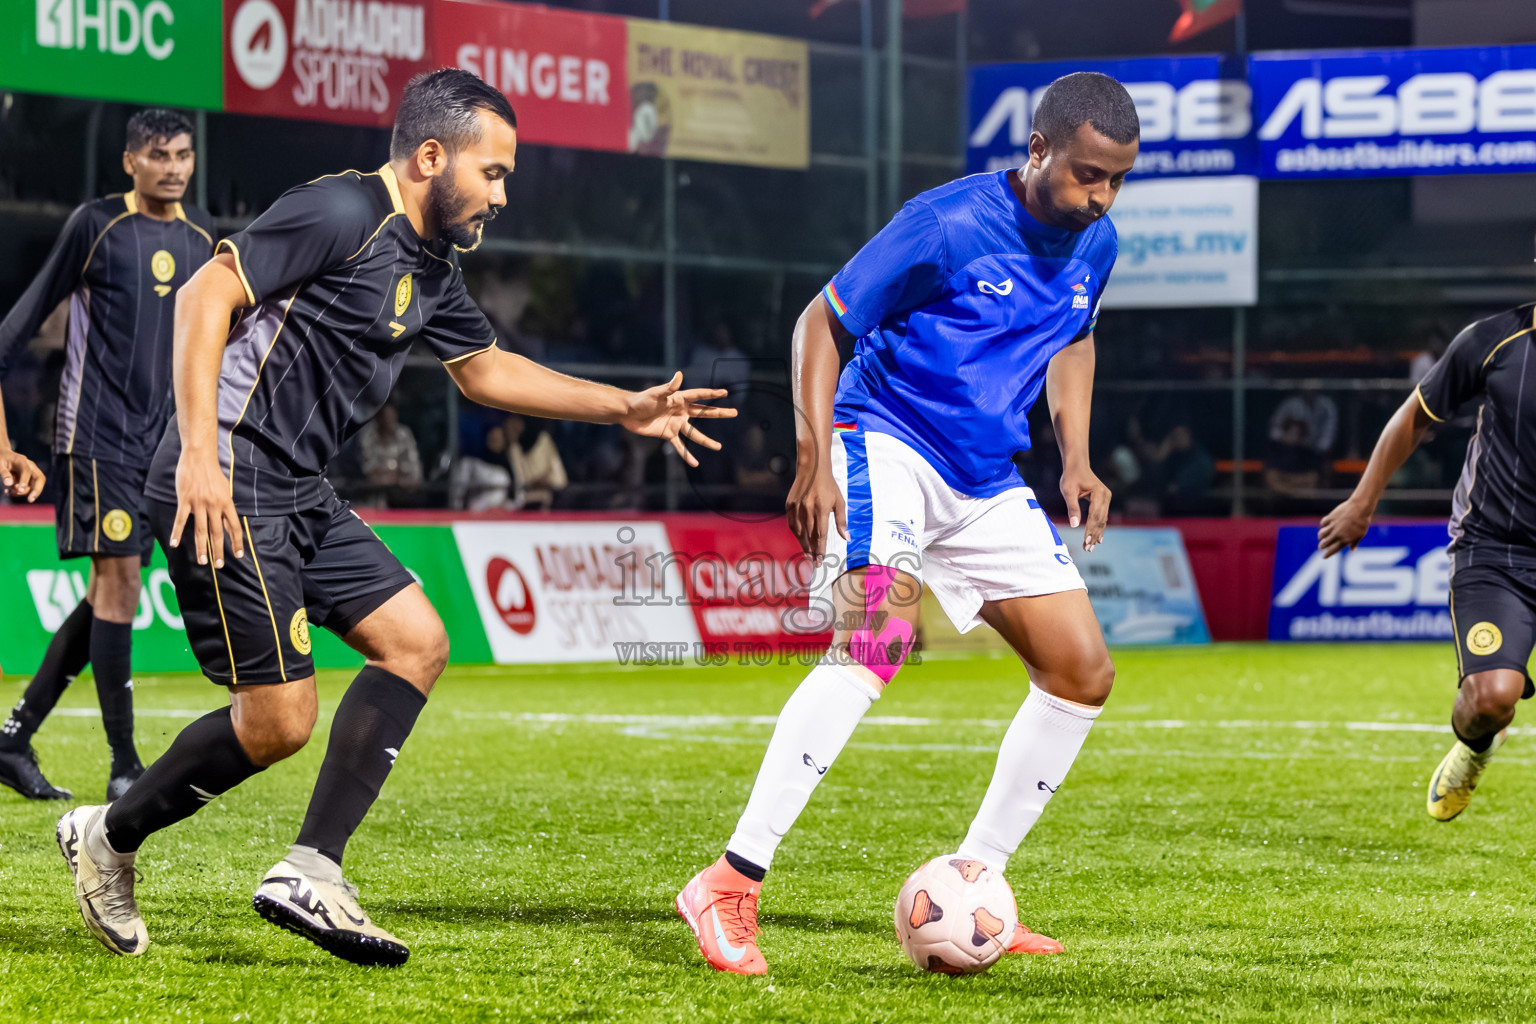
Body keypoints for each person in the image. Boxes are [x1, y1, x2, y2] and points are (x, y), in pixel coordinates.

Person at [54, 69, 734, 966]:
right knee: (278, 722)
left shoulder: (431, 263)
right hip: (232, 469)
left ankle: (311, 869)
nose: (502, 193)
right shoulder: (341, 210)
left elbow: (485, 370)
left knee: (417, 641)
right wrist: (199, 456)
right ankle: (107, 837)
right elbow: (204, 296)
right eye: (493, 172)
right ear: (431, 157)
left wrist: (625, 407)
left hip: (299, 485)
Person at [675, 71, 1138, 975]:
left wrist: (1075, 457)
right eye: (1088, 174)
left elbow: (1076, 337)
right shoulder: (946, 224)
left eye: (1118, 180)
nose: (1102, 197)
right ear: (1038, 149)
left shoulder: (1099, 241)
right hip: (885, 439)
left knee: (1081, 672)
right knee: (877, 638)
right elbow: (821, 323)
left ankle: (977, 884)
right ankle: (729, 882)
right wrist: (812, 455)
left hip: (985, 475)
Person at [0, 109, 213, 802]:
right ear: (130, 161)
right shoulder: (96, 226)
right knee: (119, 586)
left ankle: (12, 739)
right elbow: (12, 333)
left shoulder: (203, 236)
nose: (173, 168)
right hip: (94, 440)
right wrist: (4, 443)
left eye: (182, 155)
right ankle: (125, 765)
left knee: (108, 595)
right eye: (159, 155)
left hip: (160, 453)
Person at [1319, 302, 1536, 824]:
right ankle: (1477, 747)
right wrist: (1362, 502)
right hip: (1495, 549)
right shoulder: (1495, 340)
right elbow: (1414, 415)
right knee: (1489, 700)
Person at [357, 401, 423, 501]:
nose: (390, 422)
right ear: (379, 419)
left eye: (392, 418)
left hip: (402, 494)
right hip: (372, 494)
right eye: (386, 418)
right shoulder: (368, 436)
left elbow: (414, 471)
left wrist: (398, 477)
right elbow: (367, 470)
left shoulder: (404, 434)